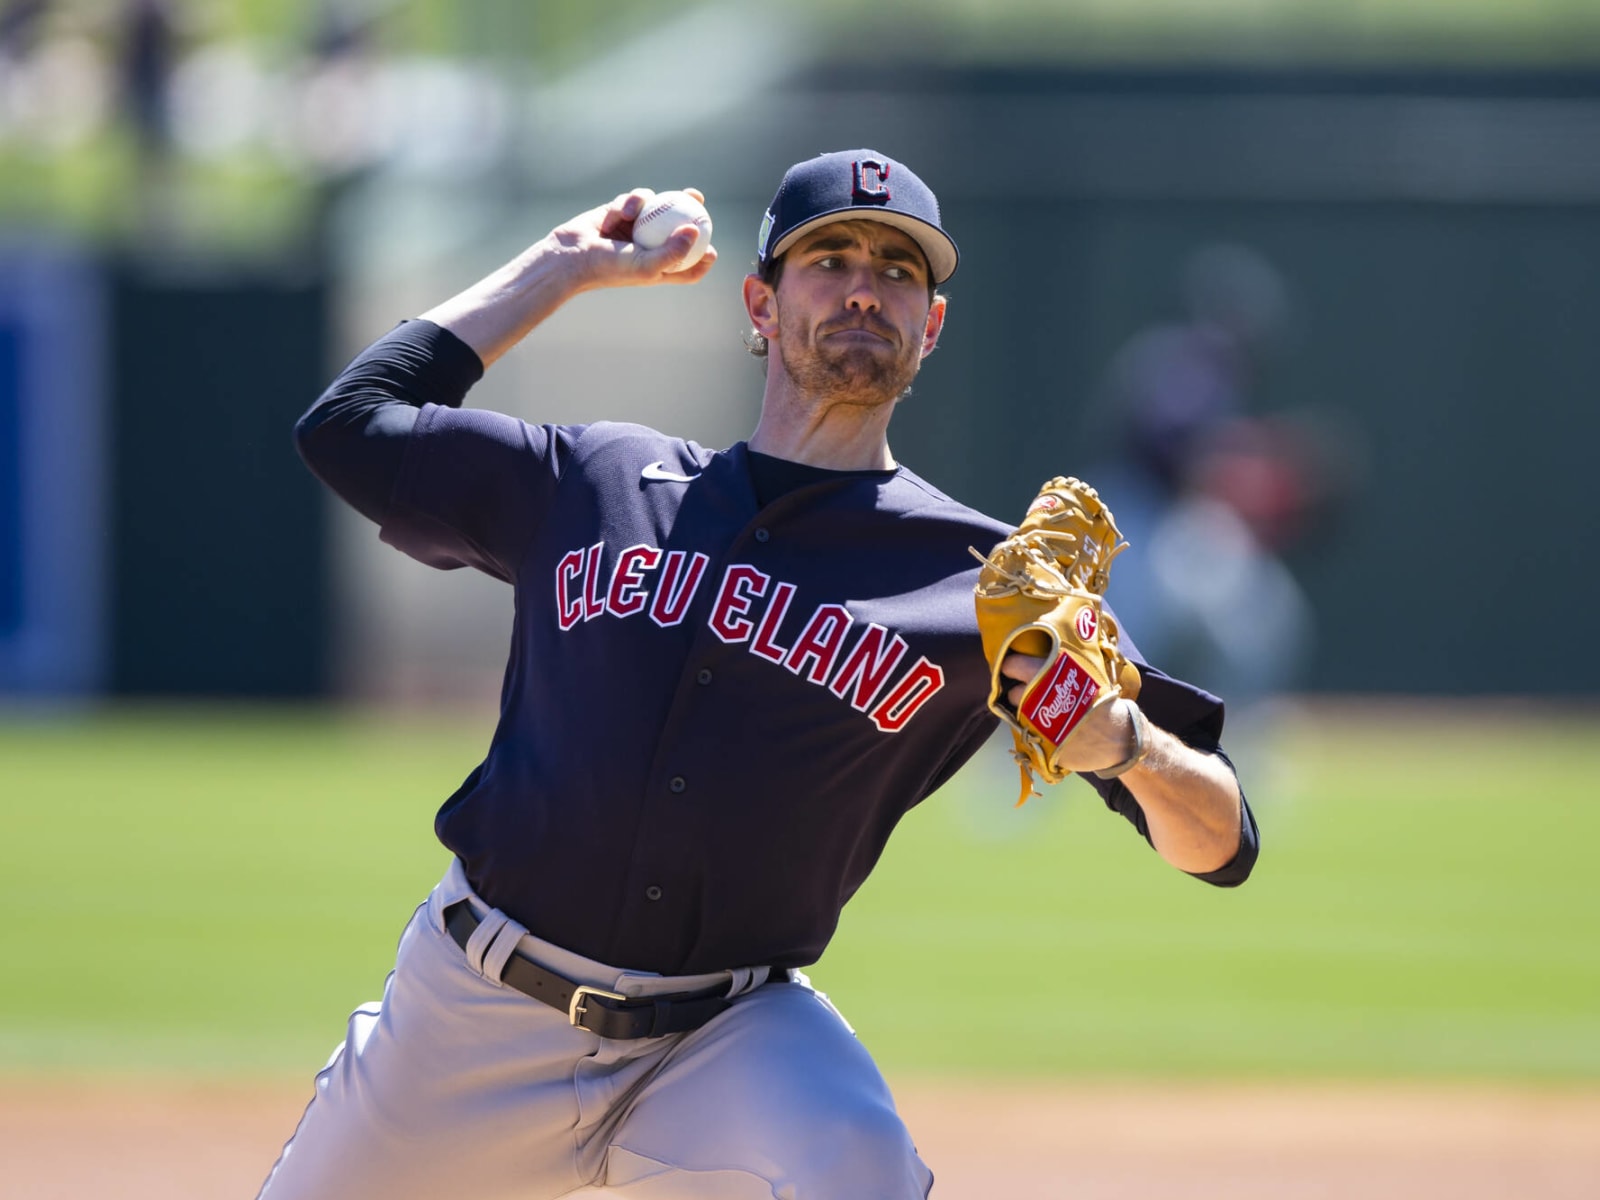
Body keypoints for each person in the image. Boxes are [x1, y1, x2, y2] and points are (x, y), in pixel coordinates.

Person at [261, 149, 1259, 1199]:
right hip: (473, 1014)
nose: (864, 285)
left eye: (899, 269)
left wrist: (1129, 747)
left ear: (932, 325)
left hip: (726, 1037)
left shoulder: (986, 585)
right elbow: (350, 428)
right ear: (760, 300)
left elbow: (1221, 839)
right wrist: (561, 267)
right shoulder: (597, 479)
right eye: (827, 257)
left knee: (856, 1166)